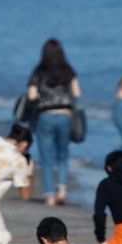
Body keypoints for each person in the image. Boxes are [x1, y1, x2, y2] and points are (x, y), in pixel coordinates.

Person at [25, 39, 81, 206]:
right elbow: (77, 93)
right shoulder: (68, 70)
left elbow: (31, 95)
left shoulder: (39, 71)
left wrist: (42, 97)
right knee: (63, 155)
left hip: (45, 115)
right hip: (65, 115)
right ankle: (62, 190)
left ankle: (50, 196)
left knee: (46, 157)